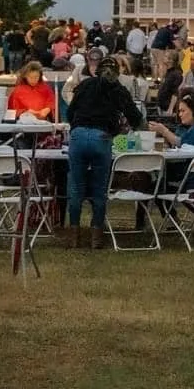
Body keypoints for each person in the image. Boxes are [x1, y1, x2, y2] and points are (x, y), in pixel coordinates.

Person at [63, 53, 145, 247]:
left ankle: (74, 236)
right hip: (102, 138)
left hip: (79, 135)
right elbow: (134, 117)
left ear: (97, 71)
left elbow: (69, 112)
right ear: (116, 73)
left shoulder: (85, 85)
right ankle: (96, 237)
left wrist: (77, 127)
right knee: (100, 190)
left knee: (76, 188)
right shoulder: (119, 90)